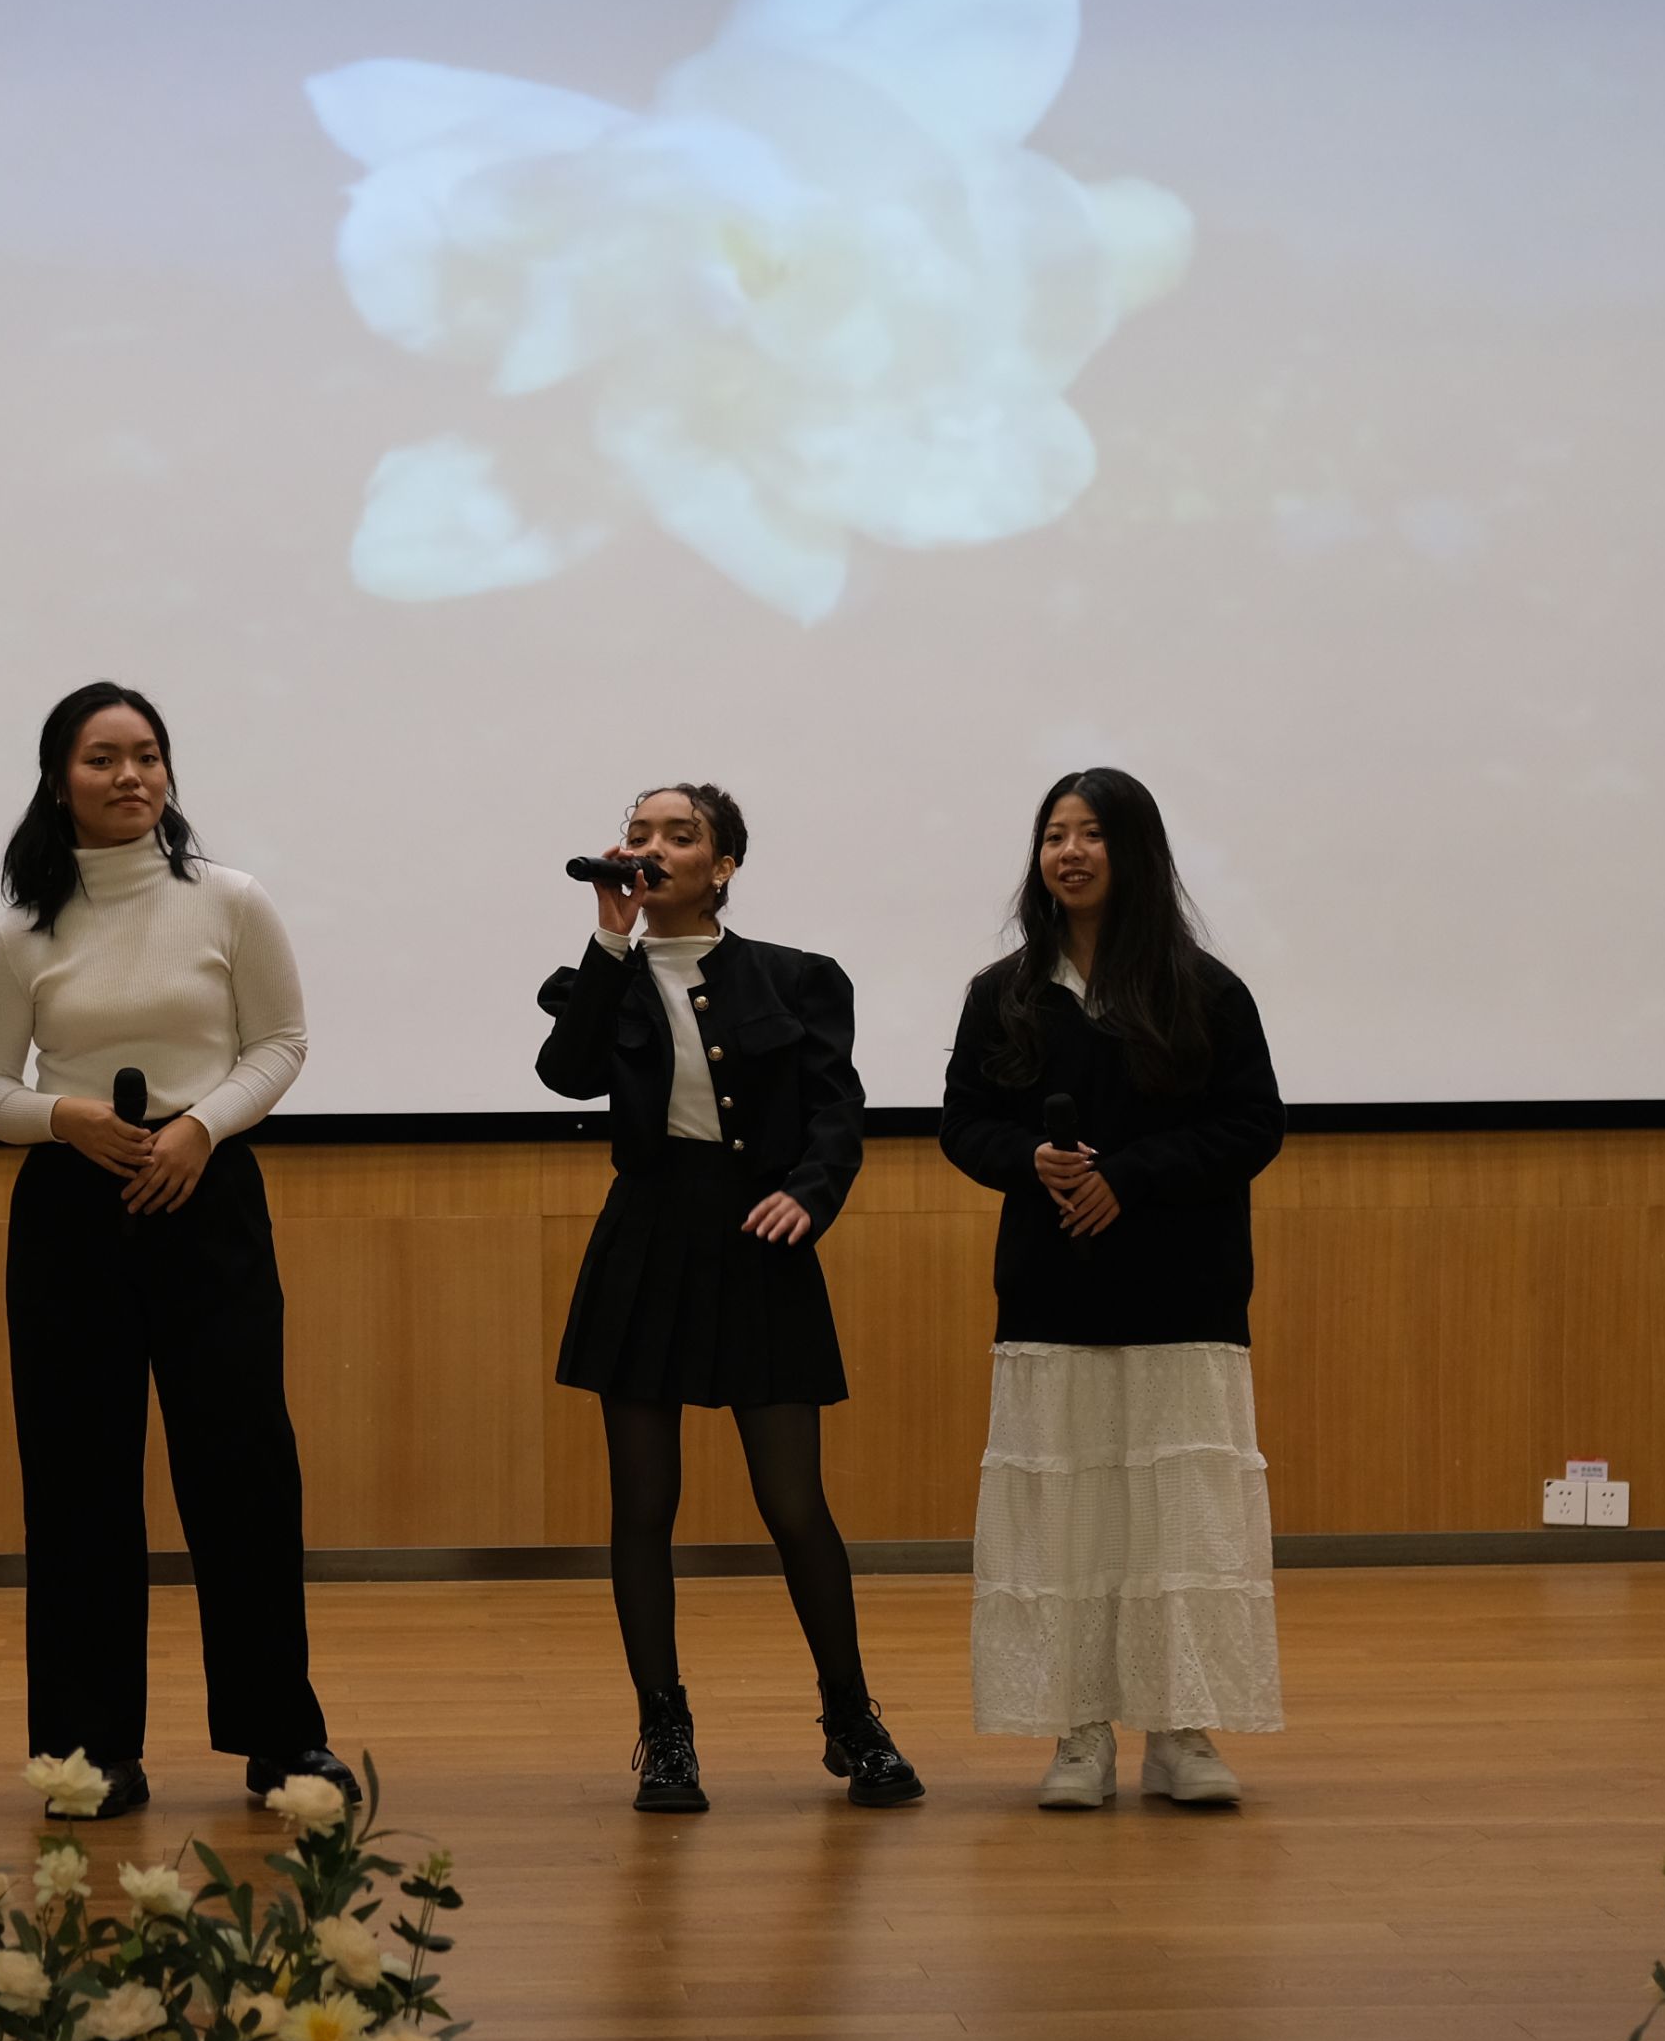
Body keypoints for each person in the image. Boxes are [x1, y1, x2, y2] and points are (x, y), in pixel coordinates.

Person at [0, 681, 357, 1821]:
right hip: (70, 1214)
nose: (128, 776)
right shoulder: (20, 931)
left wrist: (200, 1127)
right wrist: (61, 1117)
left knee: (243, 1473)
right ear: (59, 781)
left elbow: (280, 1044)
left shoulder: (229, 901)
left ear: (169, 772)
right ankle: (88, 1752)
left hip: (205, 1195)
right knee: (77, 1482)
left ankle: (282, 1739)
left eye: (146, 755)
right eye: (101, 758)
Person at [538, 784, 921, 1813]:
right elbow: (567, 1076)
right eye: (639, 833)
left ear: (723, 866)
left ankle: (851, 1719)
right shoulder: (601, 978)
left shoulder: (798, 978)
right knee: (643, 1505)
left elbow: (837, 1110)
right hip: (646, 1243)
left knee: (795, 1503)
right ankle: (665, 1732)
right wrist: (609, 939)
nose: (652, 847)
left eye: (680, 835)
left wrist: (812, 1193)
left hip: (761, 1240)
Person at [937, 767, 1288, 1811]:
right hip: (1054, 1292)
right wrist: (1029, 1162)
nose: (1070, 852)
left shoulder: (1203, 990)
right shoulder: (1002, 993)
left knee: (1181, 1523)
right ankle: (1078, 1735)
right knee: (1065, 1525)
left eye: (1091, 833)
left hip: (1182, 1291)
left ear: (1134, 852)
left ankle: (1182, 1732)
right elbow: (964, 1125)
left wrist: (1128, 1179)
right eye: (1055, 834)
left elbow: (1251, 1127)